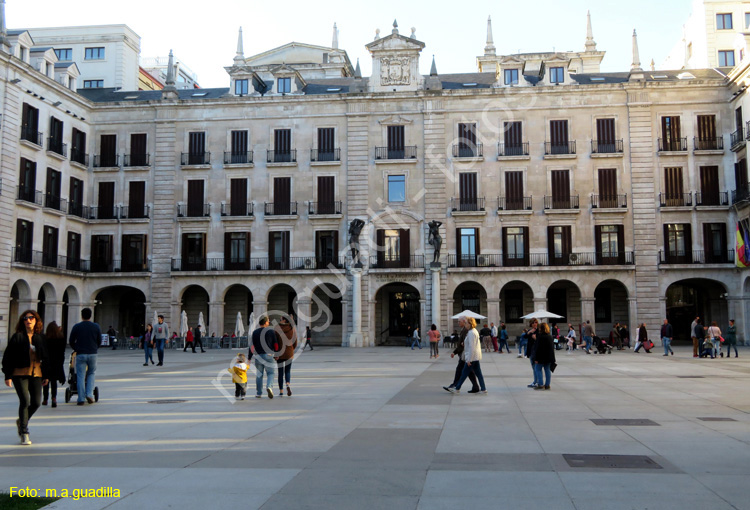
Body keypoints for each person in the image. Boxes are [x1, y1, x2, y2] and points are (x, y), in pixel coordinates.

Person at [3, 310, 49, 445]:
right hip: (19, 373)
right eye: (25, 318)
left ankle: (21, 420)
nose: (28, 320)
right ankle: (24, 432)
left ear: (36, 320)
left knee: (36, 402)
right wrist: (8, 375)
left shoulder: (40, 337)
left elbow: (46, 357)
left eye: (31, 318)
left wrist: (46, 375)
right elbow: (8, 357)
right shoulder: (17, 337)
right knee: (25, 401)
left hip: (36, 373)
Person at [68, 307, 102, 405]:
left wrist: (76, 348)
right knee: (91, 373)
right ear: (90, 316)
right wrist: (95, 347)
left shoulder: (77, 326)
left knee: (80, 376)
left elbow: (71, 341)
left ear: (82, 316)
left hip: (81, 354)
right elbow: (99, 340)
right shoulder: (96, 326)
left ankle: (81, 398)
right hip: (92, 353)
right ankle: (90, 394)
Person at [446, 317, 487, 394]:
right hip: (475, 356)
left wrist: (469, 360)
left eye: (467, 323)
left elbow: (472, 347)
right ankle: (483, 389)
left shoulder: (471, 332)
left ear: (470, 324)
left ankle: (457, 388)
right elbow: (472, 344)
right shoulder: (474, 331)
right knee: (478, 374)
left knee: (464, 373)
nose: (466, 324)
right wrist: (464, 343)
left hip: (472, 357)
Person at [250, 316, 279, 398]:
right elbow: (275, 344)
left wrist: (249, 357)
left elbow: (252, 346)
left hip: (258, 355)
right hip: (269, 355)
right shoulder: (271, 331)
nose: (269, 322)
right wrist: (276, 354)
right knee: (271, 373)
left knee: (259, 375)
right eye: (268, 321)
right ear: (266, 322)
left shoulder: (255, 332)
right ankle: (269, 386)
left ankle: (259, 393)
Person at [43, 321, 66, 408]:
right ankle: (54, 398)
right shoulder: (61, 339)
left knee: (45, 381)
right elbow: (62, 352)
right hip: (57, 362)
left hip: (47, 362)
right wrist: (61, 363)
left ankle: (45, 399)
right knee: (54, 382)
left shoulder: (45, 338)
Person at [276, 317, 297, 397]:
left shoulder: (277, 328)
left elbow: (276, 342)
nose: (280, 320)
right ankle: (287, 384)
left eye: (281, 319)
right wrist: (291, 349)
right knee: (287, 371)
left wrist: (276, 353)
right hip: (289, 353)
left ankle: (281, 391)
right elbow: (295, 342)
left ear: (284, 320)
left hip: (280, 353)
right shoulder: (292, 328)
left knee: (280, 373)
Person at [533, 323, 556, 390]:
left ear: (541, 329)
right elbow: (552, 348)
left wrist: (536, 358)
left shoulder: (540, 337)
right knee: (547, 370)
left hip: (540, 357)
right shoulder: (550, 337)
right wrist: (553, 359)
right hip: (548, 357)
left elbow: (537, 348)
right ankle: (547, 384)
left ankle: (540, 384)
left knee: (537, 369)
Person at [526, 319, 540, 388]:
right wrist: (529, 333)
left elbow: (540, 341)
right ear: (531, 324)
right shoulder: (530, 331)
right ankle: (535, 381)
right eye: (533, 323)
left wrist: (535, 338)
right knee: (533, 367)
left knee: (536, 367)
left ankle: (537, 382)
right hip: (531, 351)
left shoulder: (539, 331)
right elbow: (525, 337)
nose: (535, 324)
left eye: (536, 322)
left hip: (536, 351)